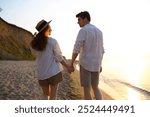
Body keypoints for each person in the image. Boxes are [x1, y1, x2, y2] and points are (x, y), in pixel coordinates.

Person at [31, 19, 71, 100]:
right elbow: (59, 57)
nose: (51, 29)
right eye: (49, 28)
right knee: (53, 97)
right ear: (46, 29)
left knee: (45, 95)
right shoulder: (52, 41)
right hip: (54, 73)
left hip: (42, 74)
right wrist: (67, 66)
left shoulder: (33, 44)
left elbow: (34, 55)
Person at [70, 11, 104, 100]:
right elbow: (102, 50)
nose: (78, 22)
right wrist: (100, 64)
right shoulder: (99, 31)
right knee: (95, 88)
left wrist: (71, 63)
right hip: (96, 64)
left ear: (85, 19)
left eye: (79, 19)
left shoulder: (83, 30)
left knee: (87, 88)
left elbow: (76, 48)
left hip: (86, 64)